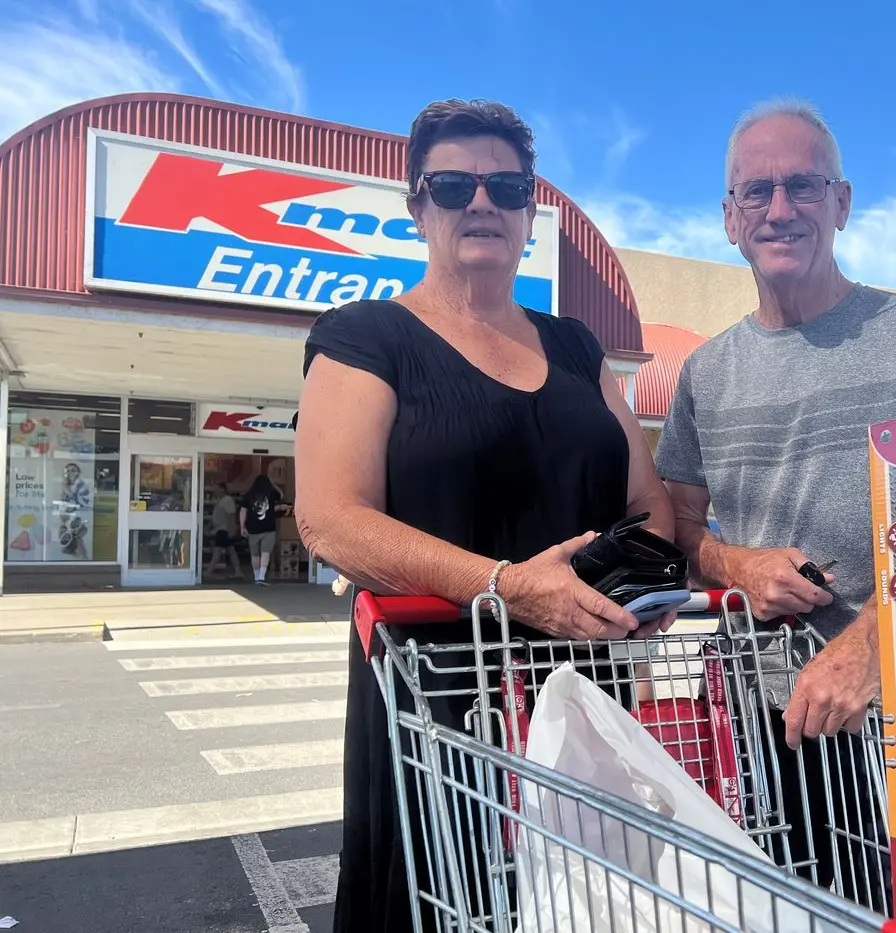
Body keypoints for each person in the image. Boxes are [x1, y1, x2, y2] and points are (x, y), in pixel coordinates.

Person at [292, 98, 674, 933]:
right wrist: (506, 586)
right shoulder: (367, 338)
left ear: (529, 212)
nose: (481, 203)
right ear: (417, 205)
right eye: (453, 185)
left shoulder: (576, 346)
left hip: (583, 704)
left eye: (505, 187)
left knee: (591, 904)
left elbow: (647, 499)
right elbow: (329, 517)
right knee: (442, 899)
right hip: (438, 713)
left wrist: (644, 581)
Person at [655, 98, 896, 905]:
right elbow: (680, 530)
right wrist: (738, 563)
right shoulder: (705, 373)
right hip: (764, 720)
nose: (780, 209)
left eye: (802, 185)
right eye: (756, 191)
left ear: (842, 202)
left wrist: (873, 644)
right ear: (729, 217)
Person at [239, 473, 282, 586]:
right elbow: (281, 495)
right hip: (269, 529)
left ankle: (256, 576)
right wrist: (273, 483)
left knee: (254, 554)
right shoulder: (271, 493)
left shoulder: (249, 495)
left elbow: (243, 511)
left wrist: (242, 527)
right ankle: (262, 577)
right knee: (265, 553)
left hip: (253, 529)